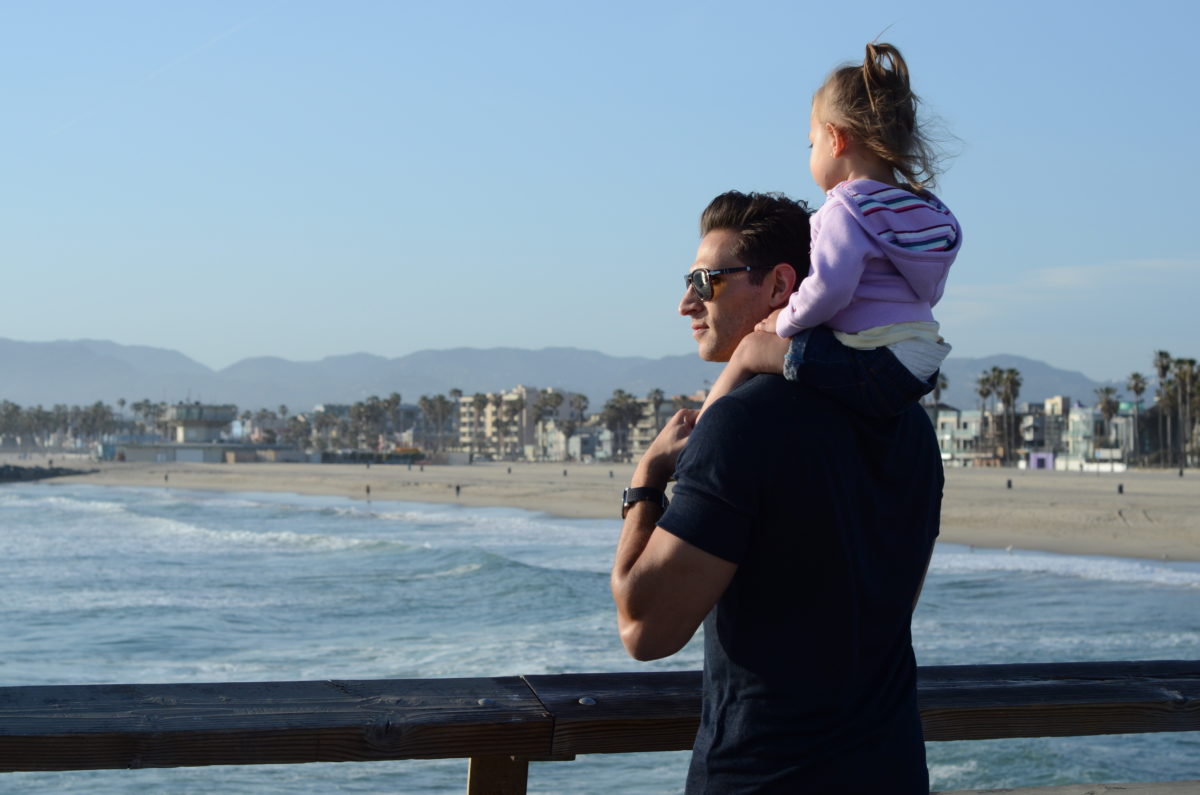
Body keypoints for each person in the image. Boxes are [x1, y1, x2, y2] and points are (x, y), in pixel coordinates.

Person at [611, 190, 943, 792]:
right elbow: (889, 607)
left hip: (765, 777)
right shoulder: (910, 429)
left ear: (778, 286)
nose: (687, 301)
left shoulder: (741, 425)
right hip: (890, 771)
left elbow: (644, 629)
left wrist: (645, 483)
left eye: (705, 280)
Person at [701, 42, 960, 418]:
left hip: (875, 361)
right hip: (922, 361)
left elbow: (829, 289)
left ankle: (698, 435)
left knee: (752, 349)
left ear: (836, 140)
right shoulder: (921, 210)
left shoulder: (844, 209)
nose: (810, 153)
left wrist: (784, 320)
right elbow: (929, 288)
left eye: (812, 143)